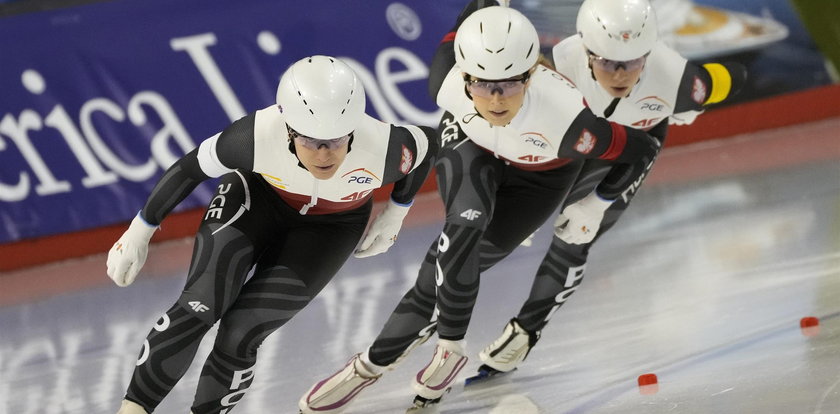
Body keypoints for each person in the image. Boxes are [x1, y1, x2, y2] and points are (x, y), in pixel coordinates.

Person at [298, 2, 665, 412]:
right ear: (464, 75)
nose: (493, 99)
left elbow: (643, 150)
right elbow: (470, 20)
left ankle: (371, 363)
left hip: (539, 179)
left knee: (432, 279)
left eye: (508, 84)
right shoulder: (446, 81)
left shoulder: (570, 122)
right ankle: (447, 351)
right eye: (481, 84)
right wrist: (396, 212)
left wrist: (595, 204)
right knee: (461, 230)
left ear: (530, 76)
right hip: (471, 147)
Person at [106, 55, 438, 414]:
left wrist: (396, 213)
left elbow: (430, 146)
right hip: (255, 200)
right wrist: (139, 231)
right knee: (200, 304)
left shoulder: (385, 147)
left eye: (337, 141)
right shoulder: (254, 136)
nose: (325, 155)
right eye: (312, 141)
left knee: (242, 331)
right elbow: (189, 169)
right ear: (290, 129)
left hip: (331, 228)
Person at [474, 0, 747, 380]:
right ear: (584, 50)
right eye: (605, 62)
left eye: (633, 62)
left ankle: (525, 331)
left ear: (649, 53)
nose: (619, 75)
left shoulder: (679, 81)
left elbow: (735, 75)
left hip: (631, 149)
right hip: (573, 142)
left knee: (576, 235)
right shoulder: (558, 66)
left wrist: (598, 204)